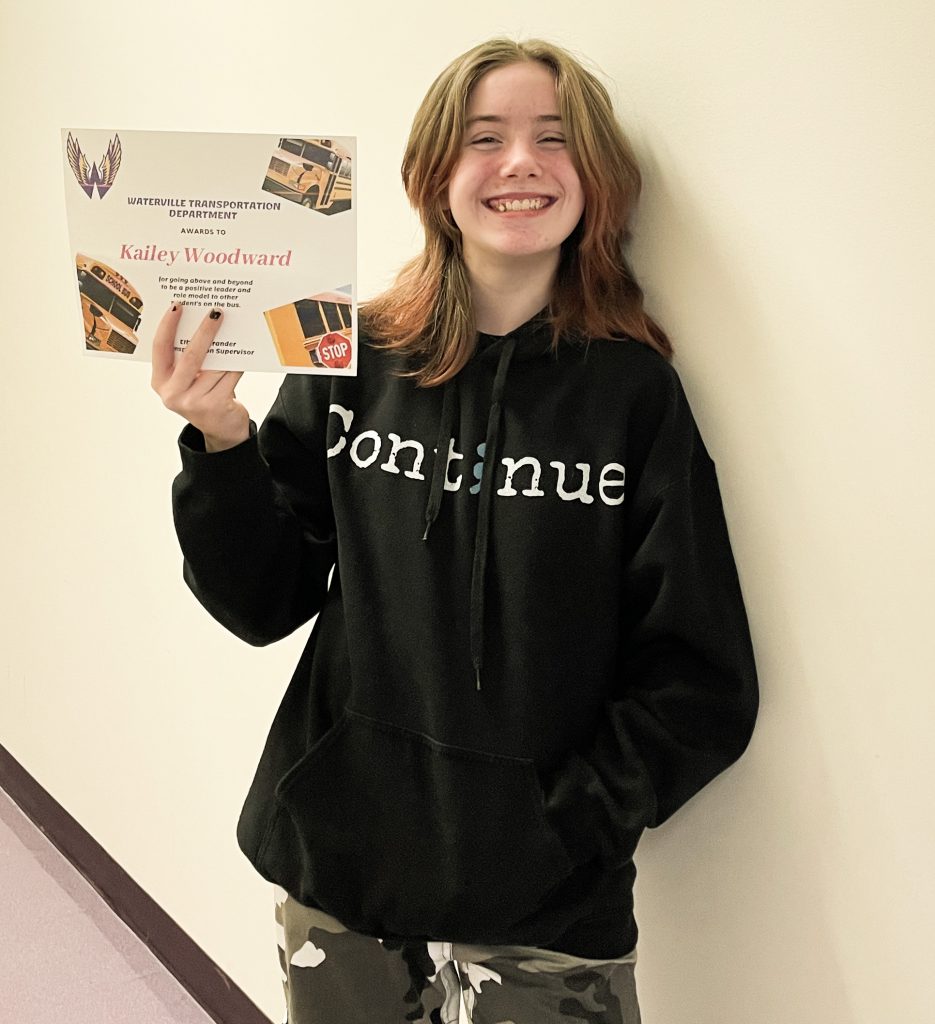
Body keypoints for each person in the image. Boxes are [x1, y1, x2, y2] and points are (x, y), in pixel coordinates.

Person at [152, 37, 758, 1024]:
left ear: (594, 176)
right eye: (485, 138)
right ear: (434, 176)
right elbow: (263, 601)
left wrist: (559, 821)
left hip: (542, 911)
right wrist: (221, 443)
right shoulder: (354, 355)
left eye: (551, 139)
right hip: (342, 880)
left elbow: (698, 678)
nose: (518, 162)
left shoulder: (631, 394)